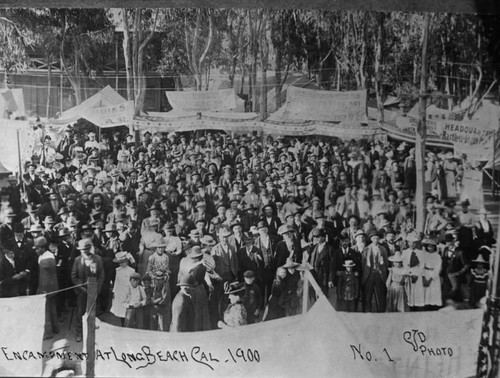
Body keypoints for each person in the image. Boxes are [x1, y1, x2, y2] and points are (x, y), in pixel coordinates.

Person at [71, 238, 105, 342]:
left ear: (90, 248)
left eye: (86, 249)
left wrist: (97, 289)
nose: (84, 251)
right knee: (80, 312)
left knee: (92, 312)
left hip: (93, 291)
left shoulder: (98, 259)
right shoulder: (77, 260)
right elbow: (73, 276)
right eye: (82, 250)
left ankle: (91, 332)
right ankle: (79, 332)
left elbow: (101, 276)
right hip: (81, 292)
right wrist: (80, 287)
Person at [35, 236, 59, 339]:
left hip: (47, 288)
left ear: (43, 247)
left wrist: (42, 290)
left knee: (46, 310)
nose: (36, 250)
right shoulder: (46, 255)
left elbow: (45, 277)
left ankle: (48, 333)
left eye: (37, 248)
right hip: (51, 287)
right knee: (52, 308)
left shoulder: (47, 258)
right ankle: (55, 328)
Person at [361, 231, 389, 312]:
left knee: (381, 295)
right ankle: (367, 312)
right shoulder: (366, 249)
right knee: (368, 295)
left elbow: (386, 263)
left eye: (377, 238)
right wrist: (365, 272)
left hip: (379, 274)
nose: (375, 240)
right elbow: (363, 262)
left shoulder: (383, 249)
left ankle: (381, 312)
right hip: (369, 274)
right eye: (374, 238)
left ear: (379, 239)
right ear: (371, 239)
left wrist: (383, 271)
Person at [110, 252, 136, 326]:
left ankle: (127, 324)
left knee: (127, 310)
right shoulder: (118, 270)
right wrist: (114, 292)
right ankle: (122, 324)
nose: (120, 264)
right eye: (119, 263)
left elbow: (133, 283)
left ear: (127, 261)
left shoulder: (131, 271)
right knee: (121, 310)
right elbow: (116, 282)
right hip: (120, 292)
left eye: (122, 262)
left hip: (127, 292)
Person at [421, 238, 442, 310]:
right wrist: (423, 277)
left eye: (432, 246)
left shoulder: (437, 256)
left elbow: (437, 268)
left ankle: (433, 307)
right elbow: (422, 266)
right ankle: (425, 306)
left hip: (433, 275)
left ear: (434, 247)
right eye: (428, 246)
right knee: (426, 292)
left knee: (433, 291)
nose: (430, 248)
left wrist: (430, 278)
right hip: (425, 273)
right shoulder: (424, 255)